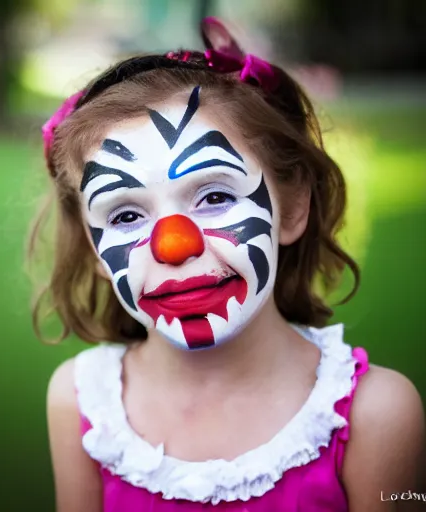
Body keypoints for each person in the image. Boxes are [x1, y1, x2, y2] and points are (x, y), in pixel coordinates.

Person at [31, 17, 425, 512]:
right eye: (126, 214)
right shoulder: (80, 402)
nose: (173, 245)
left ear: (294, 206)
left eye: (215, 195)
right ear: (94, 248)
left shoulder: (377, 414)